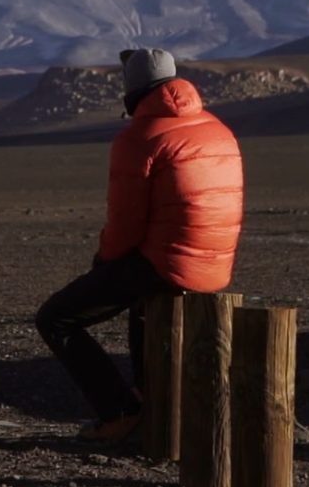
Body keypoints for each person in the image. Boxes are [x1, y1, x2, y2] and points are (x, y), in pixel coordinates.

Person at [35, 48, 244, 443]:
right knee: (140, 298)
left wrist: (104, 262)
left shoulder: (139, 138)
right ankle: (153, 406)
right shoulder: (217, 127)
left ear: (132, 91)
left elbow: (125, 226)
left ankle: (120, 414)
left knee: (56, 319)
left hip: (169, 264)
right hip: (216, 262)